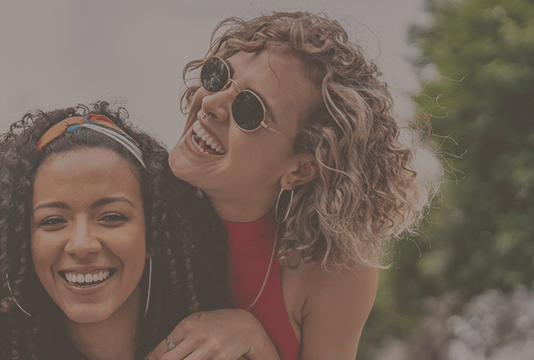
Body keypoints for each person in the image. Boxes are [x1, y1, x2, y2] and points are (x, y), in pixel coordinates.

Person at [148, 12, 436, 360]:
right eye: (218, 76)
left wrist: (254, 339)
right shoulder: (123, 211)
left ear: (301, 169)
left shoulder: (331, 265)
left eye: (249, 110)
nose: (210, 103)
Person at [0, 102, 235, 359]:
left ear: (152, 233)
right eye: (52, 221)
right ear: (25, 242)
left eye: (111, 217)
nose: (81, 245)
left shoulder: (224, 346)